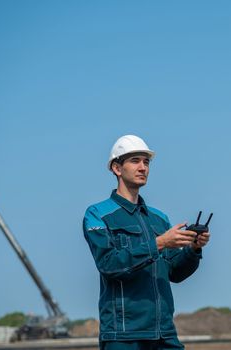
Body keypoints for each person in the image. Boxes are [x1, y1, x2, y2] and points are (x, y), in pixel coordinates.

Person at [83, 135, 210, 350]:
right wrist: (159, 243)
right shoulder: (97, 214)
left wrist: (193, 249)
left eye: (146, 162)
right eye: (135, 161)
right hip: (123, 336)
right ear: (116, 168)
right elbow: (109, 264)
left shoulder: (159, 218)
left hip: (164, 333)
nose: (143, 167)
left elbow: (175, 273)